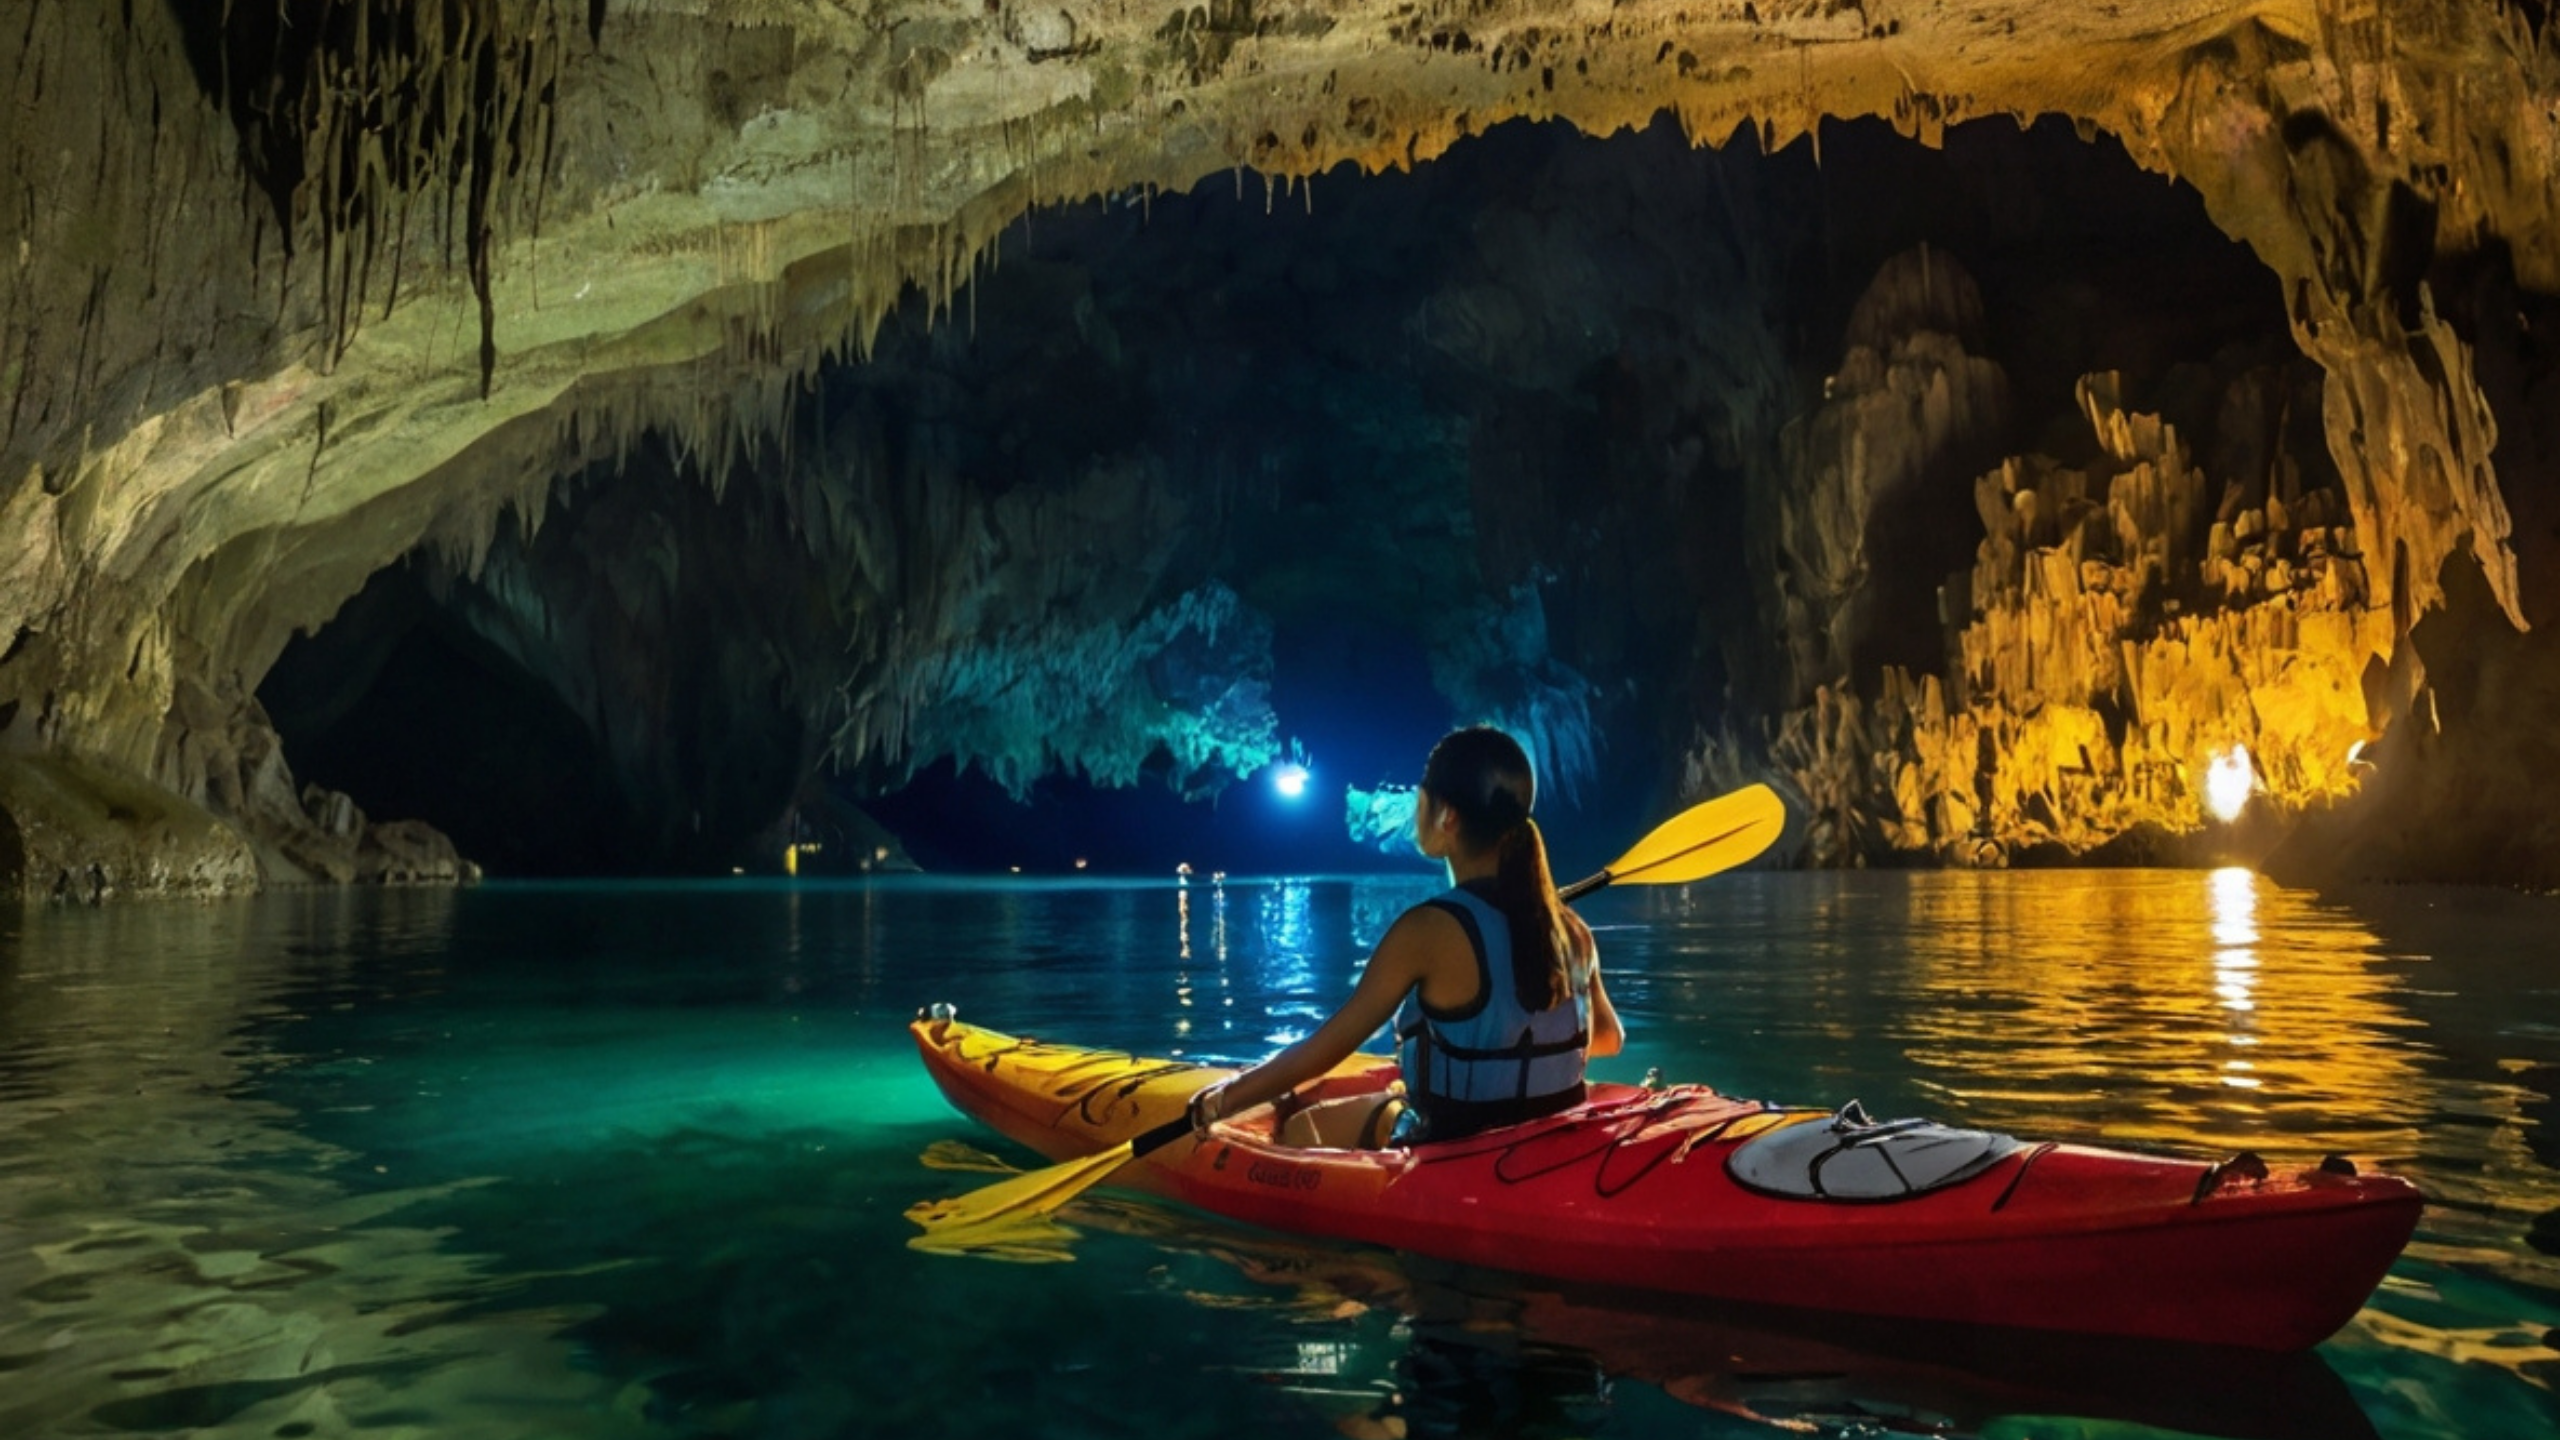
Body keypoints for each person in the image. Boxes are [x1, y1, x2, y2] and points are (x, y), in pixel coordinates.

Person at [1186, 725, 1623, 1148]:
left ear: (1447, 815)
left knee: (1300, 1126)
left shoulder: (1428, 930)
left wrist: (1223, 1100)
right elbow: (1607, 1039)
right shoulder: (1569, 927)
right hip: (1550, 1137)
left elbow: (1326, 1049)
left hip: (1453, 1145)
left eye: (1421, 798)